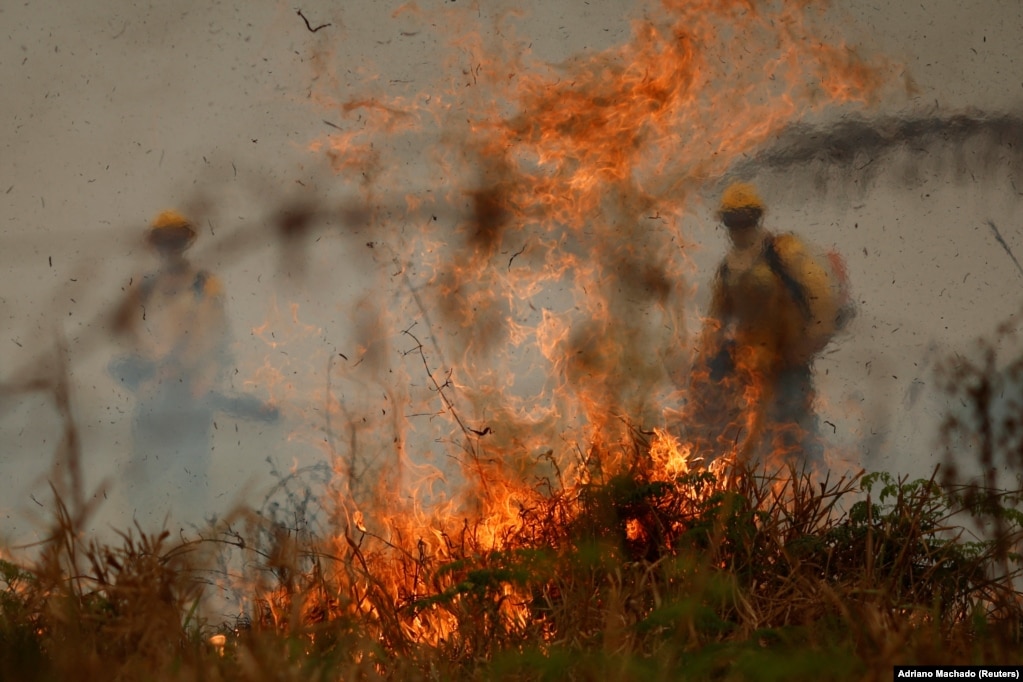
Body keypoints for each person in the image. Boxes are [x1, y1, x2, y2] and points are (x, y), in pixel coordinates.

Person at [111, 210, 274, 527]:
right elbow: (131, 338)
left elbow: (219, 338)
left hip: (192, 394)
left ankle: (191, 545)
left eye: (175, 240)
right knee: (145, 479)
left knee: (192, 479)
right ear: (155, 245)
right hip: (153, 397)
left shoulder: (204, 284)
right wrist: (151, 374)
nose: (169, 246)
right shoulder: (143, 288)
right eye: (164, 241)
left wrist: (203, 379)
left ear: (184, 243)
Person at [684, 182, 852, 471]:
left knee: (794, 430)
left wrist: (807, 345)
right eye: (731, 220)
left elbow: (821, 297)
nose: (738, 226)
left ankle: (813, 489)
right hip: (749, 365)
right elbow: (716, 320)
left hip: (787, 361)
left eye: (744, 218)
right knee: (745, 433)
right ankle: (761, 495)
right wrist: (705, 362)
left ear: (757, 217)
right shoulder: (729, 268)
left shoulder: (783, 251)